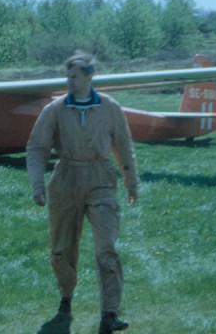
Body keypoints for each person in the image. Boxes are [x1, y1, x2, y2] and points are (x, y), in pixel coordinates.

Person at [27, 51, 138, 334]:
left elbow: (123, 146)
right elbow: (37, 148)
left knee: (107, 247)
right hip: (65, 179)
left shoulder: (110, 107)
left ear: (89, 77)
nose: (69, 82)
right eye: (67, 77)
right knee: (62, 249)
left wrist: (130, 181)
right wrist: (37, 184)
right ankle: (66, 298)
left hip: (100, 178)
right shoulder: (55, 109)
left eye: (74, 77)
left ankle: (109, 313)